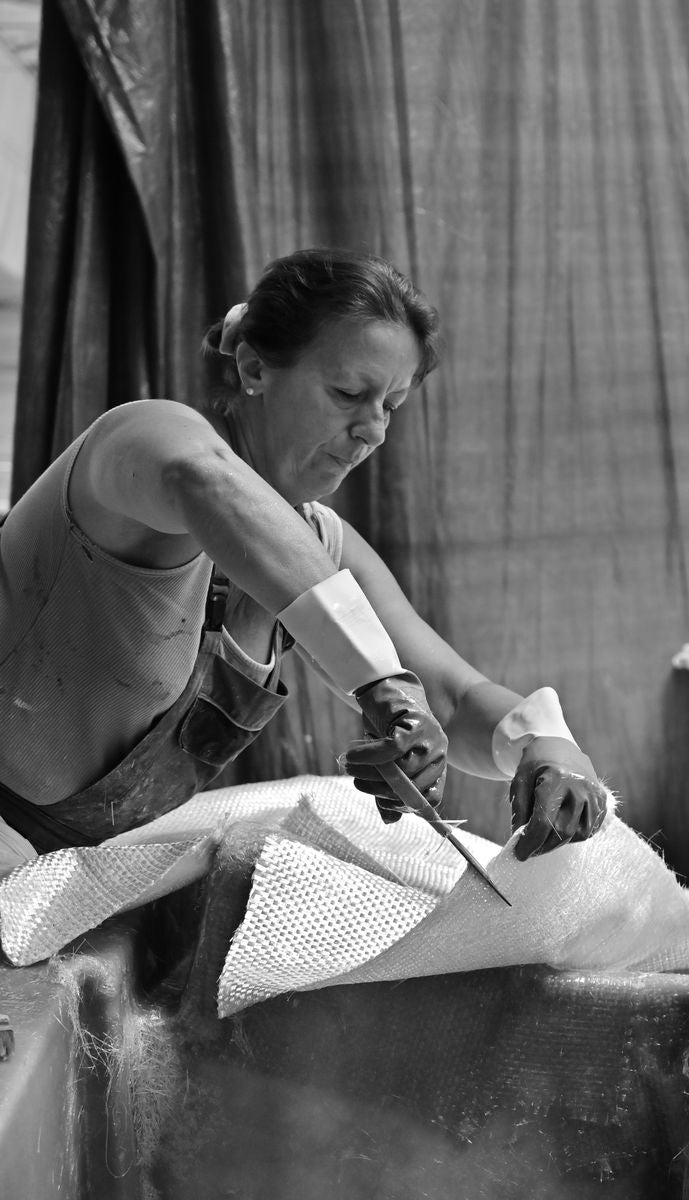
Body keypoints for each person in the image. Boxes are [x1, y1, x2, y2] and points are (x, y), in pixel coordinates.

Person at [0, 247, 610, 879]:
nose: (373, 430)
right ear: (254, 367)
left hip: (62, 872)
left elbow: (452, 701)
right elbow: (202, 480)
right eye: (349, 394)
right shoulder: (148, 438)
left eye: (391, 405)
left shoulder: (318, 543)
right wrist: (382, 685)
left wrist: (541, 743)